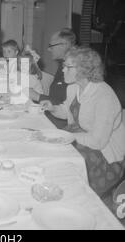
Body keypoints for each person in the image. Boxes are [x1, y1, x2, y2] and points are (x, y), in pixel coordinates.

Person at [41, 47, 125, 197]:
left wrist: (66, 136)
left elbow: (98, 141)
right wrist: (53, 108)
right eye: (63, 66)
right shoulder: (74, 87)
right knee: (48, 149)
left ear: (84, 70)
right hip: (80, 135)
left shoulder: (104, 96)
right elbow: (67, 111)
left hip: (105, 152)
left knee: (67, 164)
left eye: (68, 67)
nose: (63, 70)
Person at [30, 28, 77, 128]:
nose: (49, 49)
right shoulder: (63, 66)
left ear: (63, 45)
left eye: (51, 46)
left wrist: (37, 96)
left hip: (63, 125)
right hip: (54, 117)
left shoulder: (74, 70)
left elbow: (69, 108)